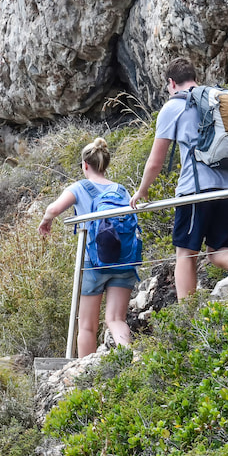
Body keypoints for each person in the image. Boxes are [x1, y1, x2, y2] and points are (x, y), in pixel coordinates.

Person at [131, 58, 228, 299]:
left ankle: (187, 315)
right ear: (194, 77)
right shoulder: (220, 100)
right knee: (219, 251)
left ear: (171, 83)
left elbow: (156, 161)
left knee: (185, 253)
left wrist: (142, 190)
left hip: (196, 191)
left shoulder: (174, 106)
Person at [38, 137, 137, 356]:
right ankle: (129, 366)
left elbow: (54, 209)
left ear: (85, 165)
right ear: (105, 164)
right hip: (125, 260)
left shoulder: (80, 187)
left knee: (87, 326)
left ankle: (87, 380)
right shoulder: (121, 190)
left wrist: (46, 221)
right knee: (116, 319)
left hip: (94, 262)